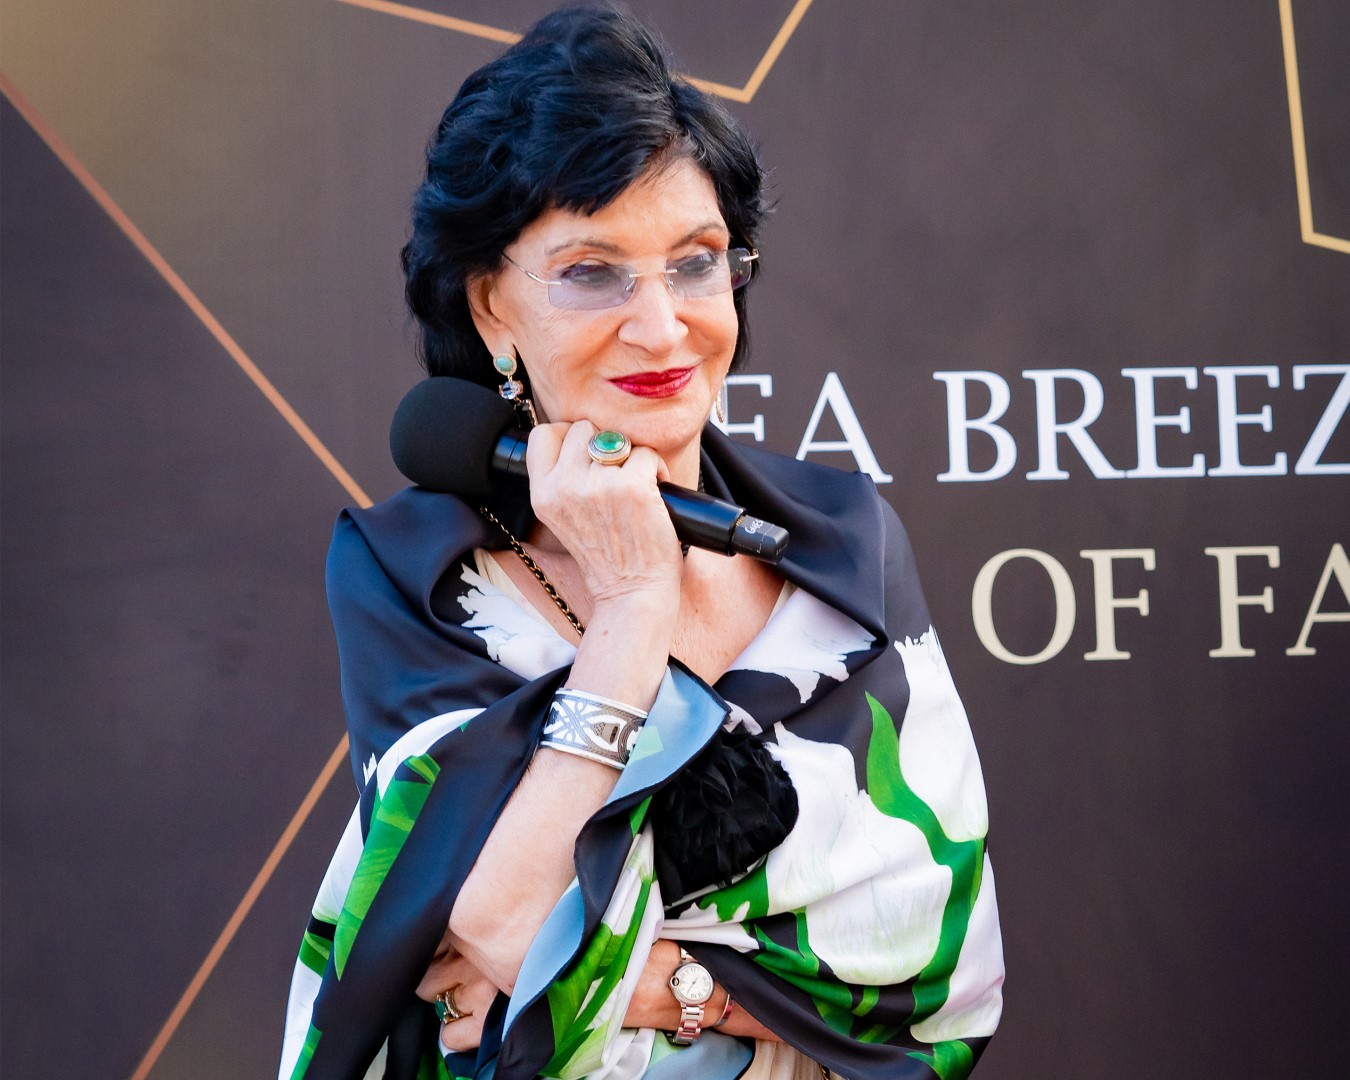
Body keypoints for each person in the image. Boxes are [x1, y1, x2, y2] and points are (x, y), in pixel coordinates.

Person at [280, 7, 1003, 1079]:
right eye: (592, 271)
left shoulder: (841, 543)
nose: (663, 327)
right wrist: (629, 611)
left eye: (696, 263)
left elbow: (947, 973)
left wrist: (667, 987)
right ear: (491, 308)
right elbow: (493, 924)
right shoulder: (417, 572)